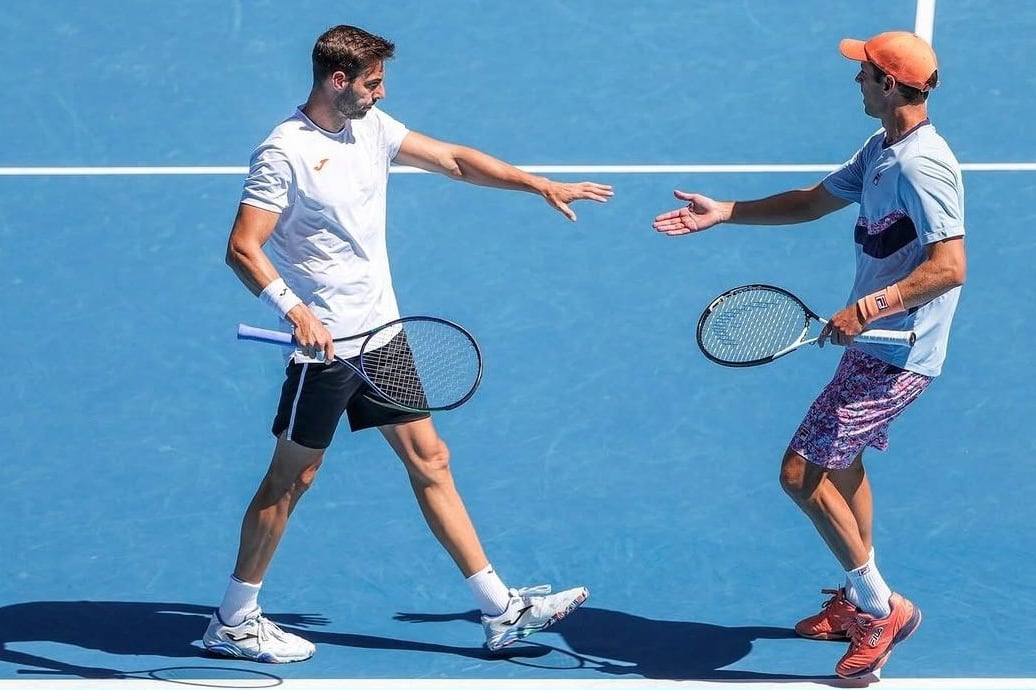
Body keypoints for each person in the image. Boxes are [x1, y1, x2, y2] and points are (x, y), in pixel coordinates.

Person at [203, 24, 613, 664]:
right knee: (292, 478)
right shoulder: (282, 152)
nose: (382, 90)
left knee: (431, 459)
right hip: (328, 349)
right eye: (373, 81)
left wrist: (537, 184)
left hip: (384, 335)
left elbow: (452, 159)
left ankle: (499, 611)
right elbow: (242, 247)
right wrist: (294, 309)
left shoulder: (371, 125)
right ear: (338, 80)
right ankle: (234, 618)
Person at [651, 31, 965, 679]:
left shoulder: (922, 165)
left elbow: (951, 267)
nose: (855, 81)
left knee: (801, 474)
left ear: (889, 85)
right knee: (840, 464)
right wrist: (726, 212)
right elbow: (810, 202)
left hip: (898, 352)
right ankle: (860, 596)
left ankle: (880, 610)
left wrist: (868, 308)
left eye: (864, 73)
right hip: (877, 344)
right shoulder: (881, 149)